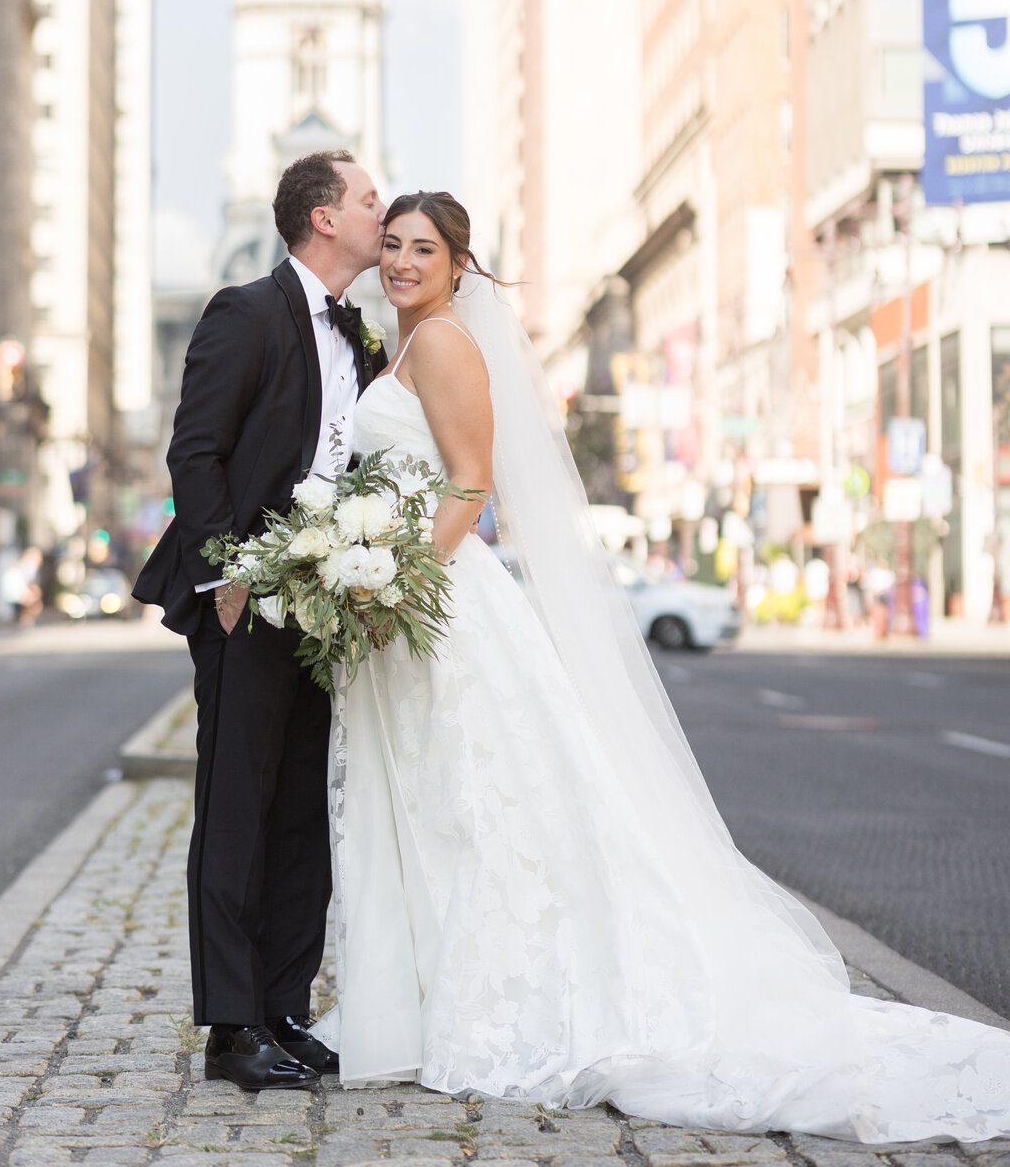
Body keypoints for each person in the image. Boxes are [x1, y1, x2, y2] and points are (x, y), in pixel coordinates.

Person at [313, 189, 1010, 1143]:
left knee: (473, 802)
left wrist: (397, 586)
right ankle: (435, 997)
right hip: (418, 599)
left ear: (458, 266)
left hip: (439, 601)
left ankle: (496, 1002)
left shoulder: (438, 345)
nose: (398, 262)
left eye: (420, 250)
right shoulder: (403, 343)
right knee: (445, 805)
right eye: (390, 245)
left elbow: (472, 485)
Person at [132, 151, 386, 1090]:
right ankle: (231, 1029)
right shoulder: (245, 312)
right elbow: (195, 452)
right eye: (367, 200)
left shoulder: (358, 337)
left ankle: (283, 1005)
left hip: (325, 608)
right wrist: (224, 578)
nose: (379, 210)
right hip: (245, 606)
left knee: (301, 819)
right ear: (323, 218)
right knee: (236, 813)